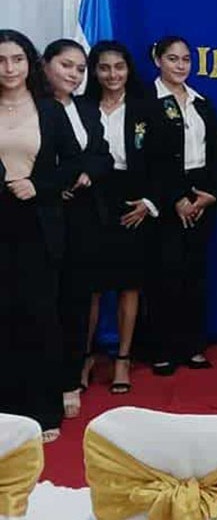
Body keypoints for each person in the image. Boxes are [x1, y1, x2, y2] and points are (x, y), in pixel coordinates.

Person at [0, 29, 82, 442]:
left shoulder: (49, 110)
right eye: (1, 60)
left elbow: (73, 163)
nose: (9, 68)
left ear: (29, 63)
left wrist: (39, 186)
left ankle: (43, 410)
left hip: (37, 223)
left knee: (39, 316)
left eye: (16, 59)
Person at [144, 35, 217, 376]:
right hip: (164, 200)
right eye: (173, 59)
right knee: (164, 274)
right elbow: (148, 158)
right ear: (157, 60)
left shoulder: (201, 102)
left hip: (201, 195)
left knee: (195, 274)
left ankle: (193, 345)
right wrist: (175, 198)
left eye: (186, 60)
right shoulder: (145, 101)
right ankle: (162, 348)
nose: (180, 66)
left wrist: (210, 194)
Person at [41, 39, 114, 419]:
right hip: (42, 215)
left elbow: (102, 155)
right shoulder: (31, 107)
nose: (74, 74)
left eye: (80, 69)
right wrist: (63, 180)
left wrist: (87, 172)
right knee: (42, 301)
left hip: (84, 217)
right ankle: (39, 381)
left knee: (76, 301)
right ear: (45, 65)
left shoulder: (86, 108)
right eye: (66, 65)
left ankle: (70, 380)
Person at [81, 40, 157, 397]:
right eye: (104, 67)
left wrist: (149, 202)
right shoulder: (80, 107)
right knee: (90, 286)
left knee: (130, 284)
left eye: (119, 67)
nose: (112, 74)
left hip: (132, 200)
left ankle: (123, 359)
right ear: (94, 72)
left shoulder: (145, 108)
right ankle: (85, 356)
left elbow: (163, 161)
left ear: (128, 70)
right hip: (90, 199)